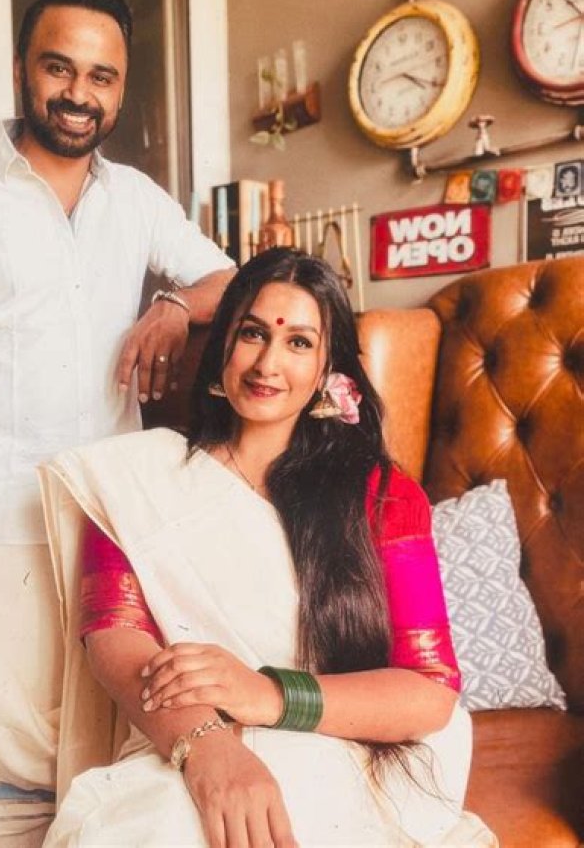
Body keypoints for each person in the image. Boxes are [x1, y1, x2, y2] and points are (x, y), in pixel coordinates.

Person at [0, 0, 234, 847]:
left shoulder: (136, 198)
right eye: (59, 67)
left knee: (97, 755)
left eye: (101, 76)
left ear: (121, 88)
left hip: (106, 521)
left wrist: (174, 304)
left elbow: (230, 281)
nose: (78, 93)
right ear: (22, 69)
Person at [39, 249, 495, 847]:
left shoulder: (382, 494)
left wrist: (266, 694)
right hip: (185, 739)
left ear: (329, 367)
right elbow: (115, 639)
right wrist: (208, 750)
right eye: (253, 333)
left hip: (345, 749)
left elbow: (429, 691)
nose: (268, 363)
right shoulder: (133, 481)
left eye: (299, 342)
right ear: (223, 345)